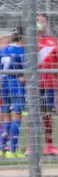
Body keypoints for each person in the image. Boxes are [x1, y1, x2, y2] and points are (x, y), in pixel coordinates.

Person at [34, 14, 58, 155]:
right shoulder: (29, 40)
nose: (40, 23)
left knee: (47, 113)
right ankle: (33, 145)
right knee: (34, 113)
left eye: (43, 21)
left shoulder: (54, 42)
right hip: (34, 83)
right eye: (37, 21)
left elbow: (57, 64)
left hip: (50, 83)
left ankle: (49, 144)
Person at [0, 30, 23, 158]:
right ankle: (13, 151)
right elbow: (25, 74)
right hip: (15, 86)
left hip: (3, 85)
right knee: (17, 116)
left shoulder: (3, 51)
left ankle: (2, 149)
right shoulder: (22, 51)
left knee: (6, 117)